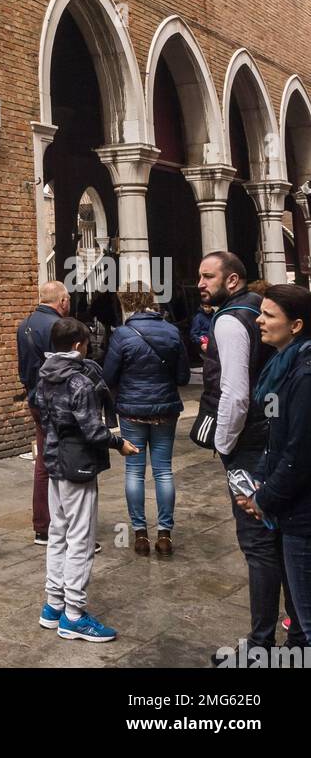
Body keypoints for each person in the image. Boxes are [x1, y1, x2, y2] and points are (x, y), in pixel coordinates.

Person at [196, 251, 305, 658]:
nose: (201, 284)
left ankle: (262, 645)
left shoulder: (228, 319)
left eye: (209, 277)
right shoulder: (256, 312)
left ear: (234, 280)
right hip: (271, 438)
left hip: (250, 446)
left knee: (259, 545)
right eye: (199, 277)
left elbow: (235, 392)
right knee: (281, 544)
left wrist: (224, 446)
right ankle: (294, 641)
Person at [35, 316, 138, 642]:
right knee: (80, 538)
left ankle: (53, 605)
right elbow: (93, 431)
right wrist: (119, 443)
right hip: (77, 466)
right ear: (79, 345)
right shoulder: (79, 382)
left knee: (58, 533)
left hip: (52, 462)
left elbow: (38, 411)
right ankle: (74, 615)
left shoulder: (44, 377)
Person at [235, 285, 311, 641]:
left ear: (295, 326)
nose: (258, 320)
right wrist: (261, 479)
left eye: (268, 315)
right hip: (290, 507)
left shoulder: (304, 374)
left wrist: (263, 499)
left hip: (303, 514)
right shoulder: (283, 365)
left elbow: (300, 453)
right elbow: (276, 437)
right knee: (300, 615)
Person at [102, 288, 190, 556]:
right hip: (165, 410)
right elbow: (184, 376)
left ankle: (140, 533)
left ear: (127, 304)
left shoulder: (122, 335)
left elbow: (108, 375)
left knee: (134, 471)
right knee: (163, 471)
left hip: (131, 410)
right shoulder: (172, 332)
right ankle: (165, 534)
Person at [16, 280, 70, 545]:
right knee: (66, 458)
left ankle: (42, 525)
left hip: (34, 398)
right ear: (61, 301)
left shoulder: (23, 325)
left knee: (42, 462)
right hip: (57, 400)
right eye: (67, 299)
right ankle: (64, 522)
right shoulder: (58, 326)